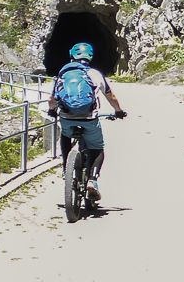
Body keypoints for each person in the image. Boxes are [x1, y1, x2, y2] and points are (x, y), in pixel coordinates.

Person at [47, 41, 126, 206]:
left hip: (67, 117)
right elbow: (111, 96)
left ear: (72, 56)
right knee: (98, 148)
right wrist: (118, 111)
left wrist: (52, 110)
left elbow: (52, 99)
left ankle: (65, 168)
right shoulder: (95, 74)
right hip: (89, 118)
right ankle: (92, 179)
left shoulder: (63, 73)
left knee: (65, 135)